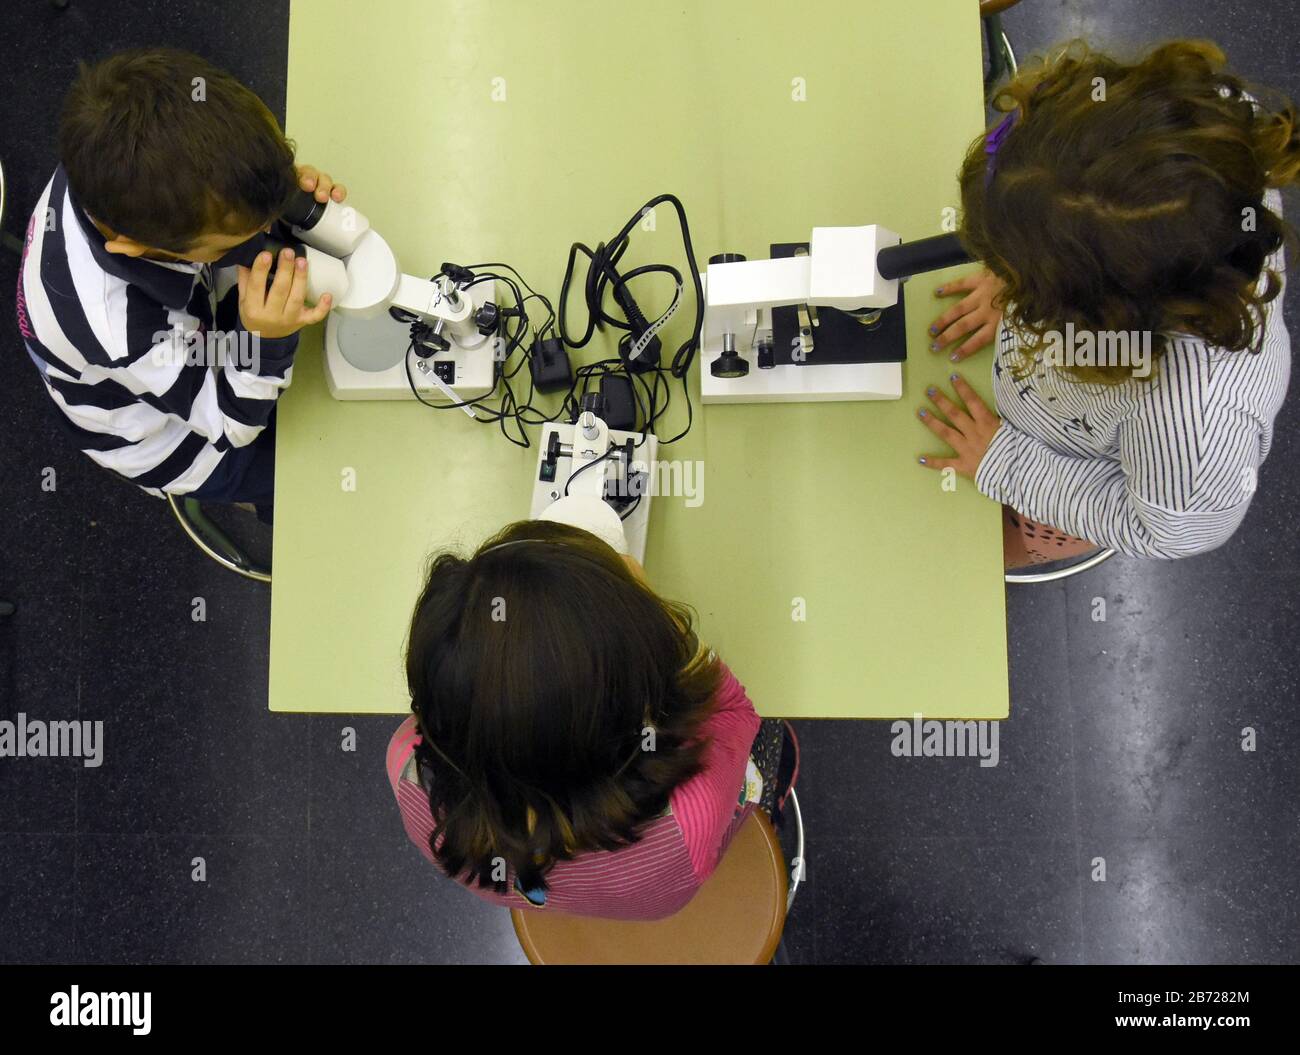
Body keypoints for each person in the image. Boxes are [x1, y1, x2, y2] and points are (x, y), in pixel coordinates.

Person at [917, 40, 1295, 566]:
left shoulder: (1200, 433)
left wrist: (1005, 465)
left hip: (1063, 476)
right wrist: (1019, 261)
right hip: (1043, 379)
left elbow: (1166, 531)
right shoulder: (1201, 137)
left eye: (1017, 271)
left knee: (957, 559)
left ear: (1092, 317)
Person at [386, 518, 785, 920]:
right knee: (767, 754)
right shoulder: (688, 823)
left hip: (543, 888)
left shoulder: (404, 769)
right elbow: (736, 711)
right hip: (663, 885)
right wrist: (662, 621)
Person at [15, 48, 346, 522]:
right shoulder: (122, 330)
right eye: (230, 243)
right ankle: (287, 519)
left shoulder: (125, 163)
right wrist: (264, 342)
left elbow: (217, 191)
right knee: (310, 475)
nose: (262, 237)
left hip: (186, 313)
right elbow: (230, 423)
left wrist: (274, 190)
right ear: (136, 246)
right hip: (180, 435)